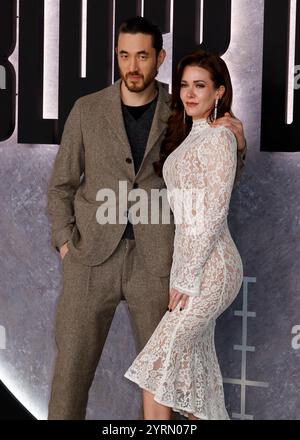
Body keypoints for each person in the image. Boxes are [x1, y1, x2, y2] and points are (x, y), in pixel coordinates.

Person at [47, 17, 246, 419]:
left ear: (160, 58)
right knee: (69, 375)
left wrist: (238, 144)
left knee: (163, 380)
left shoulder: (183, 105)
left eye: (142, 56)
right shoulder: (86, 110)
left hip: (158, 262)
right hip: (90, 260)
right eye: (124, 55)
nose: (132, 66)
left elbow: (212, 175)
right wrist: (66, 243)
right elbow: (61, 185)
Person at [124, 49, 244, 420]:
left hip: (213, 269)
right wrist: (181, 273)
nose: (190, 94)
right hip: (190, 266)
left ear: (218, 92)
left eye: (200, 86)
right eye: (184, 85)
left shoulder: (220, 137)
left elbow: (211, 214)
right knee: (195, 386)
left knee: (155, 371)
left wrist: (188, 278)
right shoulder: (189, 136)